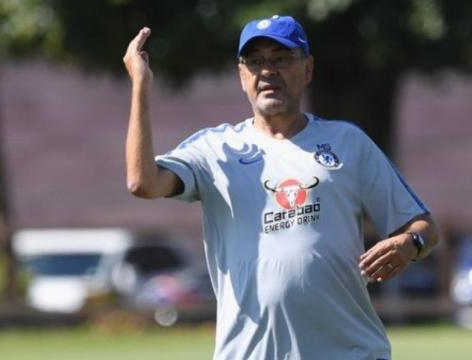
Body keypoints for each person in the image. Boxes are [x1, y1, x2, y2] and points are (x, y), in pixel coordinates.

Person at [123, 15, 439, 360]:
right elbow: (143, 182)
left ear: (308, 69)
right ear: (242, 75)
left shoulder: (348, 142)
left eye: (281, 58)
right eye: (255, 61)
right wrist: (141, 84)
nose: (267, 71)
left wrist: (410, 244)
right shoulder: (215, 149)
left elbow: (423, 227)